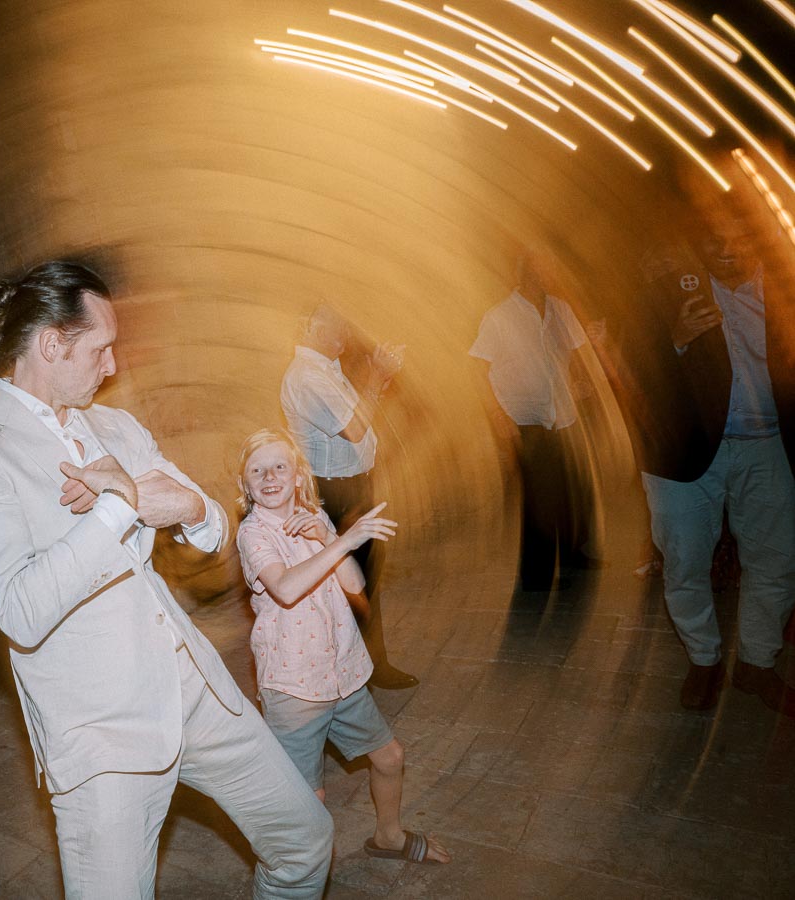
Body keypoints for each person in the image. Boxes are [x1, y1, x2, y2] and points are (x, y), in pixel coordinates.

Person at [0, 262, 333, 898]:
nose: (113, 365)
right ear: (52, 344)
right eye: (100, 347)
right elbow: (21, 607)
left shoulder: (116, 427)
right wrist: (123, 505)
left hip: (198, 693)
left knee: (306, 842)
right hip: (101, 737)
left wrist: (194, 509)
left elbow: (208, 523)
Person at [234, 428, 450, 866]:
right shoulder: (254, 534)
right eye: (257, 470)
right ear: (247, 485)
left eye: (280, 466)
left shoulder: (315, 518)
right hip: (295, 688)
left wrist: (327, 536)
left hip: (343, 674)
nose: (270, 476)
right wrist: (348, 541)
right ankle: (293, 878)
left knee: (390, 758)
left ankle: (388, 837)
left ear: (298, 477)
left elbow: (354, 582)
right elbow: (286, 588)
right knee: (307, 800)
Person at [622, 213, 795, 712]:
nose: (728, 252)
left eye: (742, 240)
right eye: (716, 242)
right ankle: (704, 658)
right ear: (697, 244)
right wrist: (673, 338)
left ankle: (758, 663)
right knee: (684, 564)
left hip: (768, 444)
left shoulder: (783, 289)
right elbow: (628, 365)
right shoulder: (665, 288)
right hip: (684, 451)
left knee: (778, 559)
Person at [280, 304, 417, 689]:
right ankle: (352, 674)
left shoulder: (325, 369)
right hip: (333, 493)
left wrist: (378, 377)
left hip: (349, 487)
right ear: (310, 327)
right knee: (348, 585)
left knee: (364, 579)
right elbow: (355, 429)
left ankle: (369, 666)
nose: (345, 332)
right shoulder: (307, 376)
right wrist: (376, 377)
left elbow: (359, 413)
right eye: (336, 325)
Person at [468, 250, 601, 591]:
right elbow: (477, 369)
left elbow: (573, 353)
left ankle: (576, 557)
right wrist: (497, 417)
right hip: (523, 417)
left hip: (563, 413)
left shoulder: (561, 309)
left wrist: (579, 383)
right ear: (525, 273)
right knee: (540, 499)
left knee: (571, 489)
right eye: (544, 270)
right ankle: (536, 577)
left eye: (552, 270)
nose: (550, 276)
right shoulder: (499, 316)